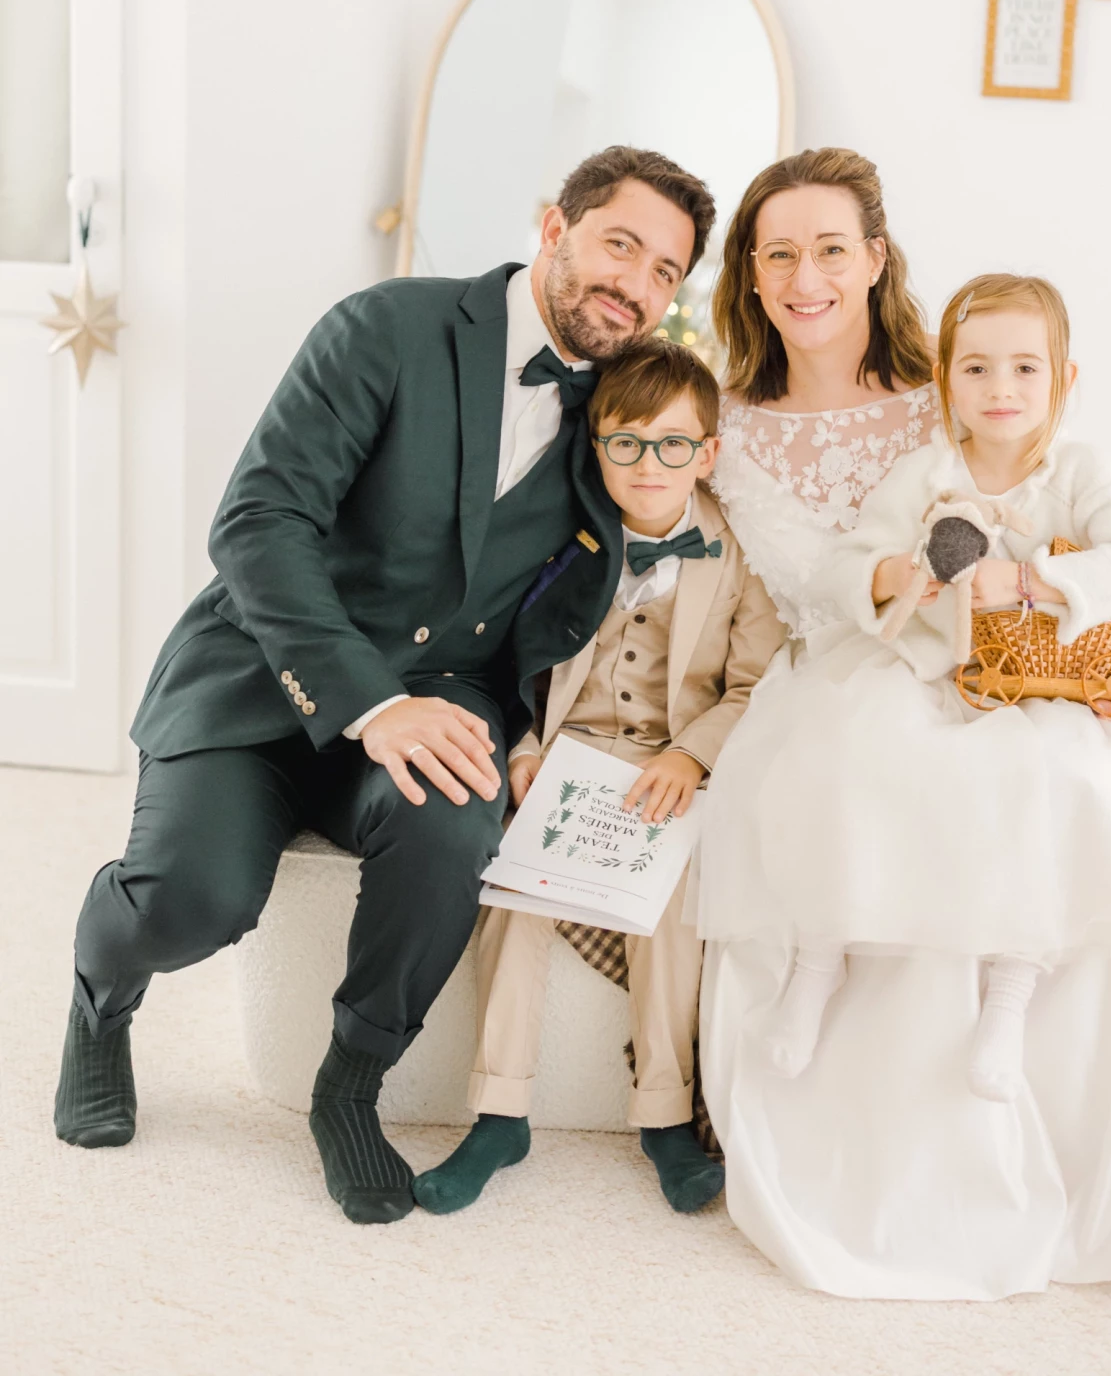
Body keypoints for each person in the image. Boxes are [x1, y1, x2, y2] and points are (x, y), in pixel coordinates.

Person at [54, 145, 716, 1226]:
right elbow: (257, 525)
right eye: (621, 246)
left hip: (443, 694)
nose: (637, 285)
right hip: (260, 682)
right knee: (194, 903)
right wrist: (371, 703)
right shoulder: (387, 328)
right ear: (555, 229)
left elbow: (610, 576)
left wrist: (515, 733)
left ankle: (348, 1087)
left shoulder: (619, 419)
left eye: (665, 273)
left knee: (460, 823)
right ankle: (98, 995)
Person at [698, 148, 1111, 1306]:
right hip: (867, 653)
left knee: (1093, 767)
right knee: (864, 754)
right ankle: (826, 979)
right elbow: (821, 582)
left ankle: (1012, 1002)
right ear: (752, 274)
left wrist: (1070, 628)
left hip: (1029, 644)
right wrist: (906, 589)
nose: (807, 274)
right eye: (779, 252)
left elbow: (1087, 527)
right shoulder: (735, 424)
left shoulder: (960, 381)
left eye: (833, 247)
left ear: (876, 259)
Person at [411, 339, 786, 1216]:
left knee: (673, 893)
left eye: (671, 445)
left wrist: (690, 754)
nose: (647, 465)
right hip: (566, 754)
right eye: (625, 443)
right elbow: (502, 663)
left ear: (707, 453)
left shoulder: (740, 559)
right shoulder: (561, 540)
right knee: (513, 891)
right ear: (596, 449)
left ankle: (662, 1111)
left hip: (669, 760)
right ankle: (499, 1110)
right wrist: (525, 750)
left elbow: (755, 684)